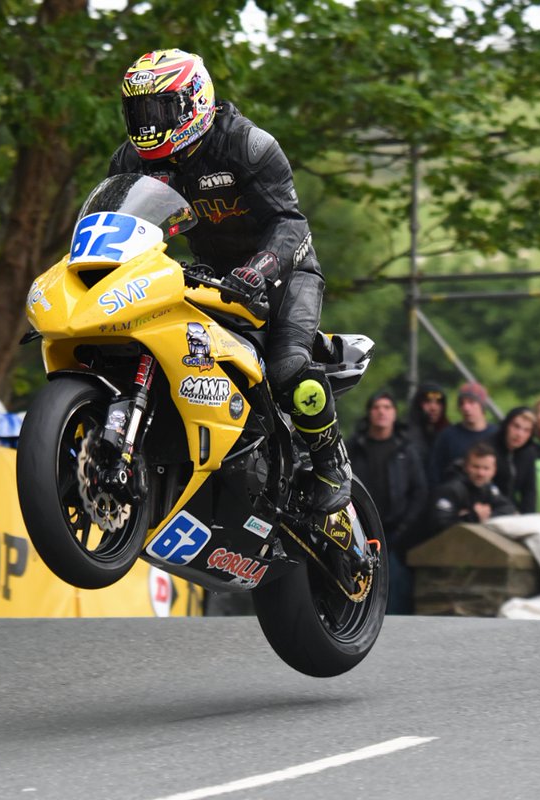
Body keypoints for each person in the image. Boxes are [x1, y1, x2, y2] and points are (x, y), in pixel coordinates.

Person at [109, 48, 349, 512]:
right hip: (209, 280)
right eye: (138, 111)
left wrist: (257, 270)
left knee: (287, 369)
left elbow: (292, 224)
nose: (147, 122)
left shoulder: (247, 146)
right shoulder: (130, 162)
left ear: (193, 102)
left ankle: (329, 461)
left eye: (158, 109)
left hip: (285, 275)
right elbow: (115, 225)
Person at [348, 388, 428, 613]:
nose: (381, 412)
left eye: (387, 407)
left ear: (394, 413)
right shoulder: (354, 446)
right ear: (369, 413)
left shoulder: (406, 449)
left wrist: (404, 526)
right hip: (359, 528)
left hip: (395, 531)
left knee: (395, 586)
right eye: (376, 407)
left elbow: (419, 491)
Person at [424, 441, 516, 543]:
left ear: (494, 471)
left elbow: (508, 508)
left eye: (486, 468)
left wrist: (486, 515)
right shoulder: (451, 489)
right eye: (476, 467)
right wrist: (473, 517)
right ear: (466, 466)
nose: (481, 473)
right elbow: (439, 527)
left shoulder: (488, 488)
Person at [428, 382, 498, 486]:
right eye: (462, 403)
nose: (466, 407)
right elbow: (435, 473)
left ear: (482, 406)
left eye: (471, 402)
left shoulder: (496, 435)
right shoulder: (448, 436)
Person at [492, 406, 538, 513]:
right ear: (506, 425)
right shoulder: (489, 448)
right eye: (516, 427)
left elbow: (529, 491)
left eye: (526, 430)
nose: (519, 434)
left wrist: (528, 519)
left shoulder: (529, 453)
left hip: (513, 512)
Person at [405, 382, 450, 467]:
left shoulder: (449, 433)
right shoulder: (405, 434)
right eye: (427, 402)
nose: (433, 407)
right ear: (418, 404)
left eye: (438, 402)